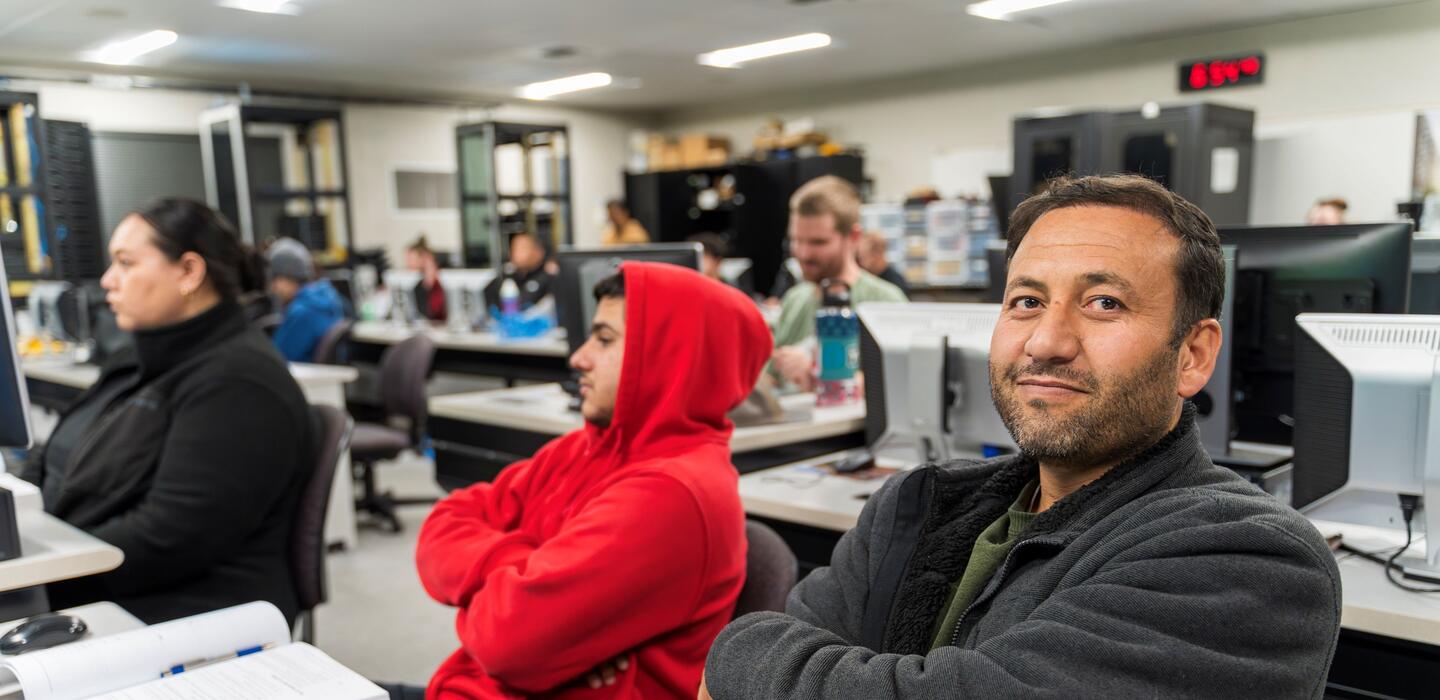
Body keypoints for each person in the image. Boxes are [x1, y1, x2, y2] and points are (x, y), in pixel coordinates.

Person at [701, 175, 1342, 698]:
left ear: (1193, 356)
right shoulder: (914, 506)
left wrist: (733, 653)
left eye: (1104, 304)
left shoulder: (1252, 561)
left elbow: (750, 666)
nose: (1046, 342)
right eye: (1027, 302)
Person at [412, 262, 768, 699]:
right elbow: (444, 521)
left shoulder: (671, 494)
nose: (579, 357)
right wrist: (516, 565)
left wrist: (483, 590)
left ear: (665, 355)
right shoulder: (585, 446)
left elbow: (504, 642)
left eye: (604, 339)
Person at [20, 198, 312, 625]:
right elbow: (52, 455)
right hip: (83, 579)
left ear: (189, 272)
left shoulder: (240, 384)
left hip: (173, 614)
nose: (107, 281)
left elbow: (166, 539)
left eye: (125, 263)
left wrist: (38, 575)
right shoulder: (138, 359)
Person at [769, 176, 906, 391]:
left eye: (818, 242)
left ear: (853, 236)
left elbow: (900, 382)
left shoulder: (884, 302)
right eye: (796, 240)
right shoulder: (795, 300)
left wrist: (821, 377)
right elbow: (771, 378)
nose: (803, 254)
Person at [267, 237, 345, 362]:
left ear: (289, 276)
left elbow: (275, 360)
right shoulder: (329, 298)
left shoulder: (301, 312)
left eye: (276, 279)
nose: (273, 287)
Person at [483, 231, 553, 311]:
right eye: (513, 248)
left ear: (538, 252)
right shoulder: (508, 276)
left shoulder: (548, 276)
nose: (515, 253)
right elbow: (486, 298)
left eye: (522, 248)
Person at [856, 230, 910, 296]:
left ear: (878, 253)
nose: (861, 262)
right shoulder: (862, 278)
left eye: (864, 256)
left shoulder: (895, 282)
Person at [407, 235, 447, 322]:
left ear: (425, 257)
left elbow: (436, 311)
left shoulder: (443, 282)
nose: (407, 263)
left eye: (410, 258)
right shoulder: (418, 285)